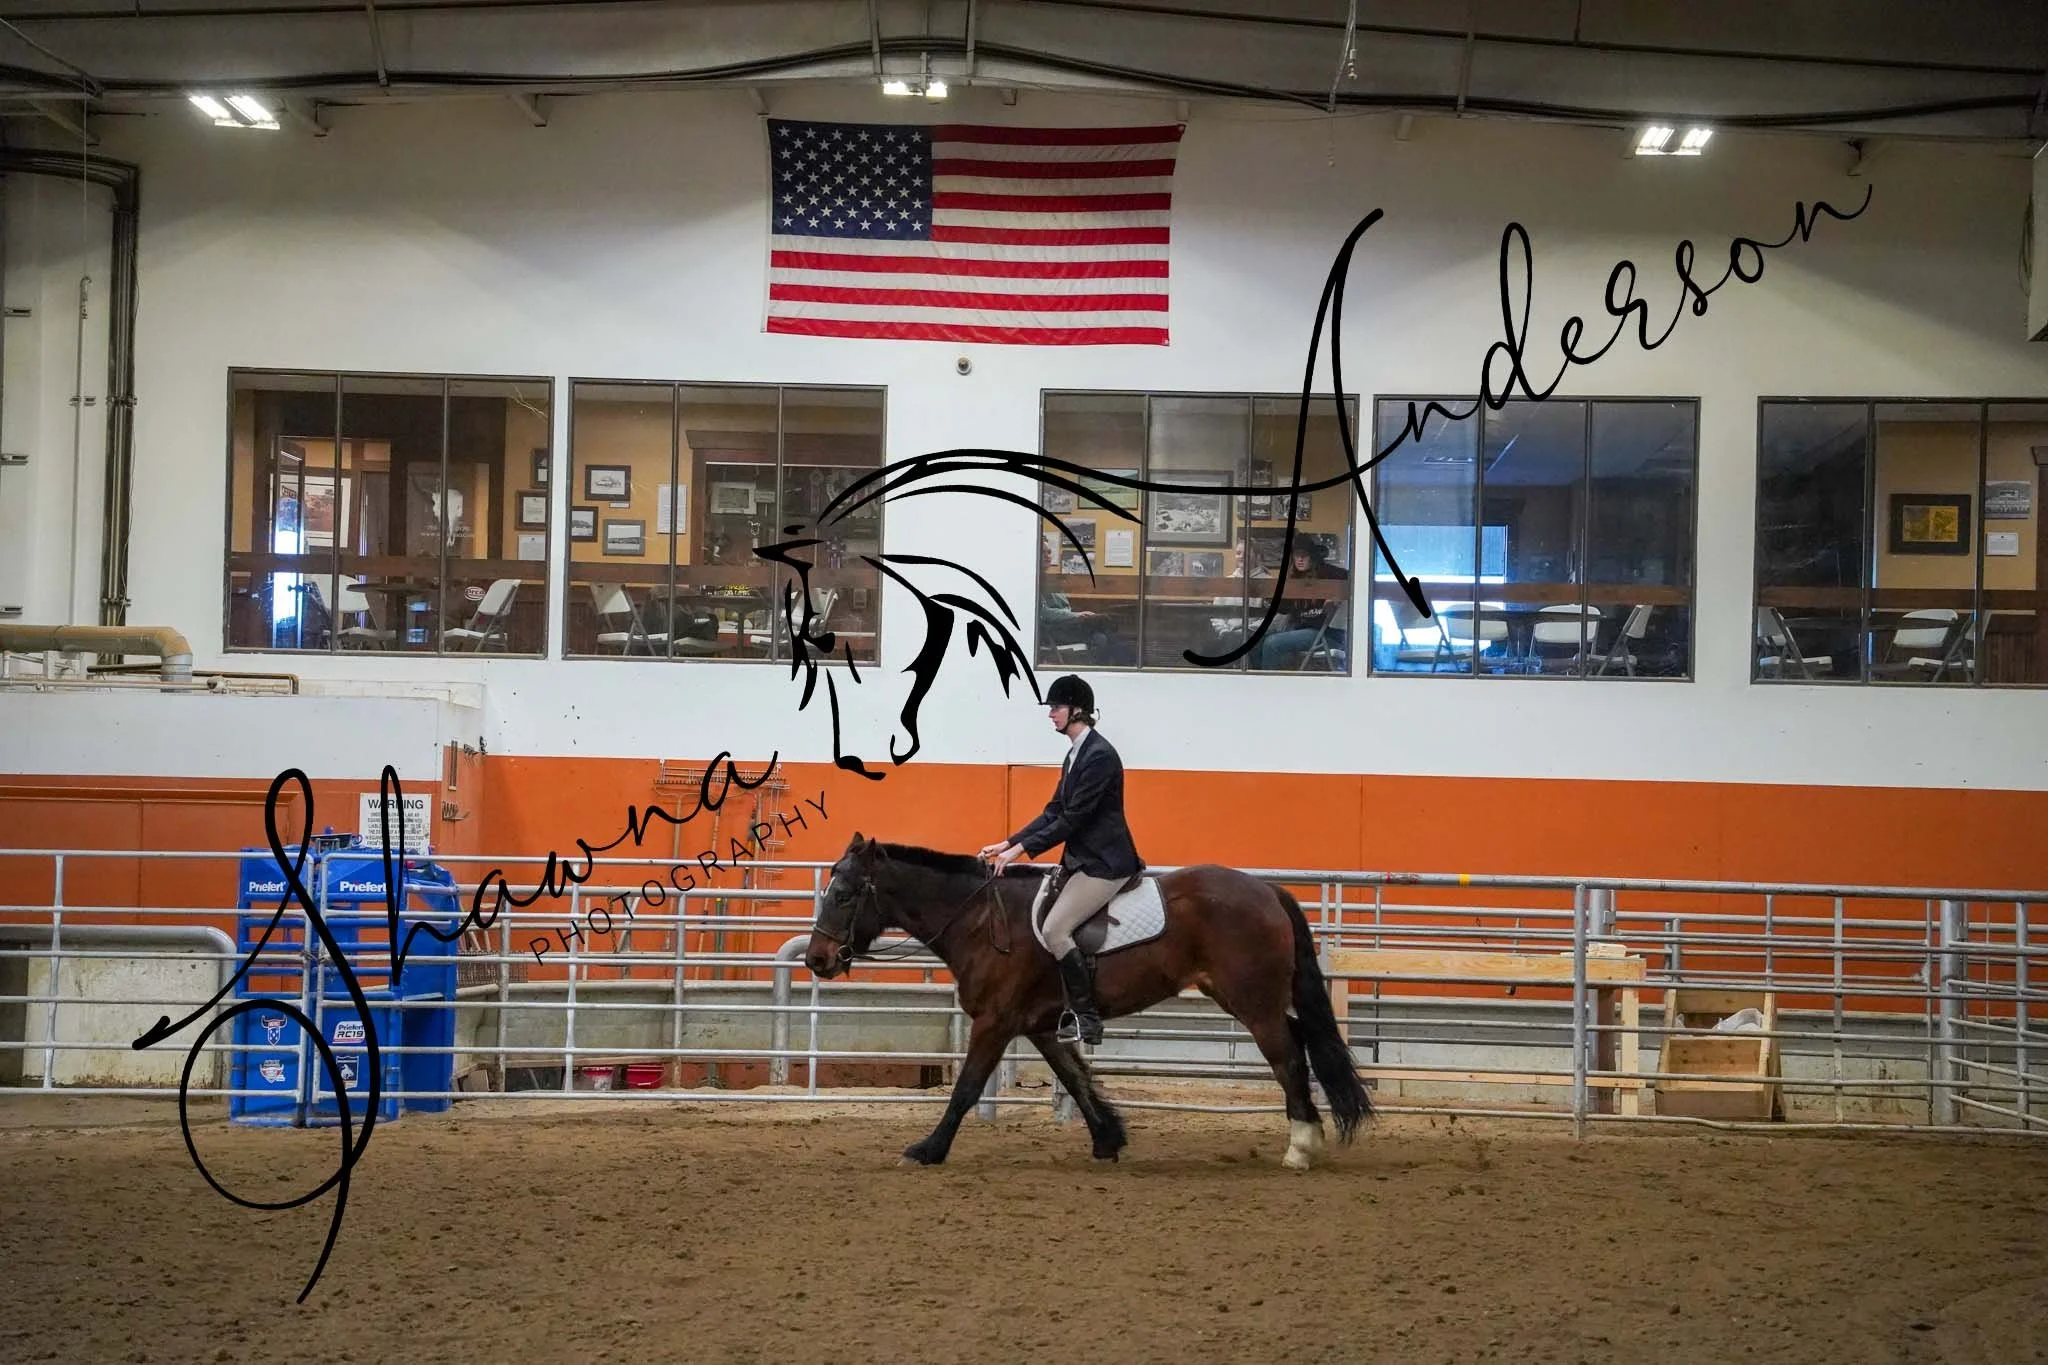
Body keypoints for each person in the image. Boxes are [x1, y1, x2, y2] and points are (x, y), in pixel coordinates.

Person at [978, 674, 1142, 1045]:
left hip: (1105, 863)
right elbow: (1054, 811)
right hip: (1082, 859)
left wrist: (1021, 851)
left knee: (1055, 929)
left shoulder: (1099, 756)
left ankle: (1087, 1018)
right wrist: (1008, 841)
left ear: (1077, 710)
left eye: (1056, 707)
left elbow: (1073, 820)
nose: (1051, 714)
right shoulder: (1076, 753)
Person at [1252, 538, 1348, 670]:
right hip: (1301, 630)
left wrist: (1337, 595)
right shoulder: (1294, 579)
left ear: (1312, 557)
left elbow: (1352, 578)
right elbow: (1284, 608)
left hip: (1325, 633)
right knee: (1255, 641)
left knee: (1272, 643)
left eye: (1304, 555)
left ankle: (1270, 683)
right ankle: (1259, 680)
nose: (1300, 559)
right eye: (1297, 555)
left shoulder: (1326, 572)